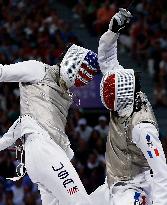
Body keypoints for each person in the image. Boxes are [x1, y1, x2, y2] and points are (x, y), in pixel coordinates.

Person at [0, 44, 99, 205]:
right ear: (72, 60)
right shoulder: (38, 70)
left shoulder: (65, 96)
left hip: (43, 154)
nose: (84, 77)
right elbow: (2, 72)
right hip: (44, 150)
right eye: (84, 70)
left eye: (88, 75)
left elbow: (24, 122)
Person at [91, 9, 167, 205]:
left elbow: (160, 170)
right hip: (112, 183)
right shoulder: (123, 86)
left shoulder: (143, 128)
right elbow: (106, 58)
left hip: (134, 187)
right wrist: (113, 31)